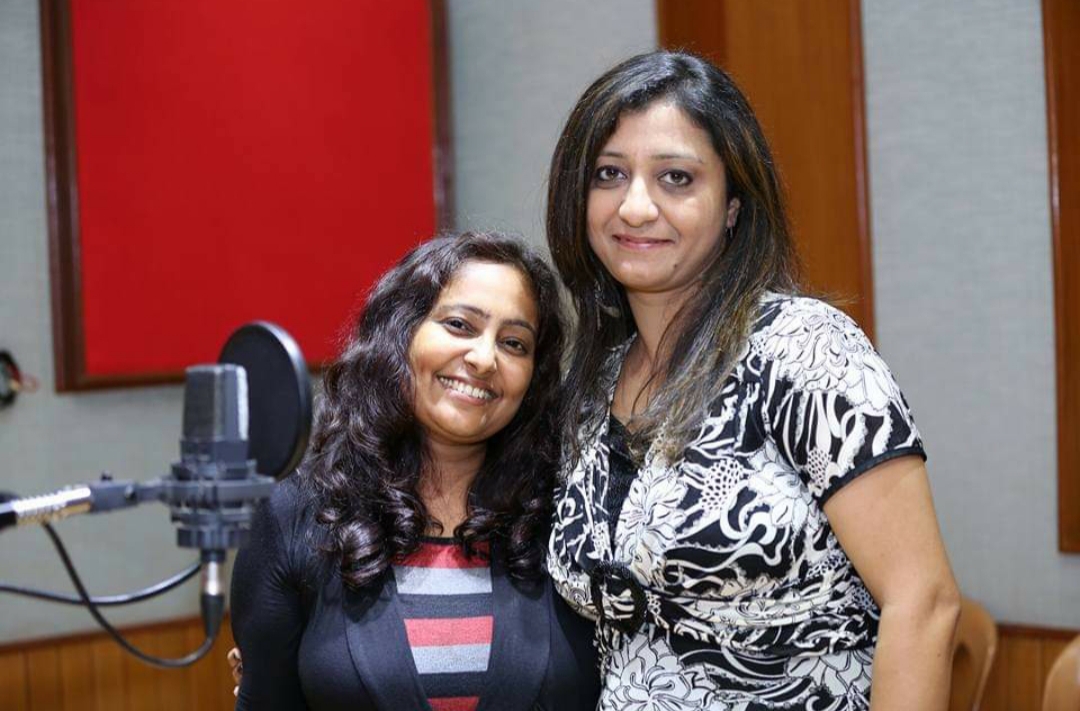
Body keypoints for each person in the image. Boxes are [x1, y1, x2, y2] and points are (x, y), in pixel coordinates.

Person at [544, 51, 961, 709]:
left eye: (676, 177)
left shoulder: (804, 348)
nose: (636, 206)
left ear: (733, 205)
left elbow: (924, 601)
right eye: (609, 174)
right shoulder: (588, 385)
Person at [229, 231, 600, 710]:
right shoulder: (294, 518)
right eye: (460, 325)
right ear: (399, 335)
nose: (484, 358)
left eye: (514, 343)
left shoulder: (570, 519)